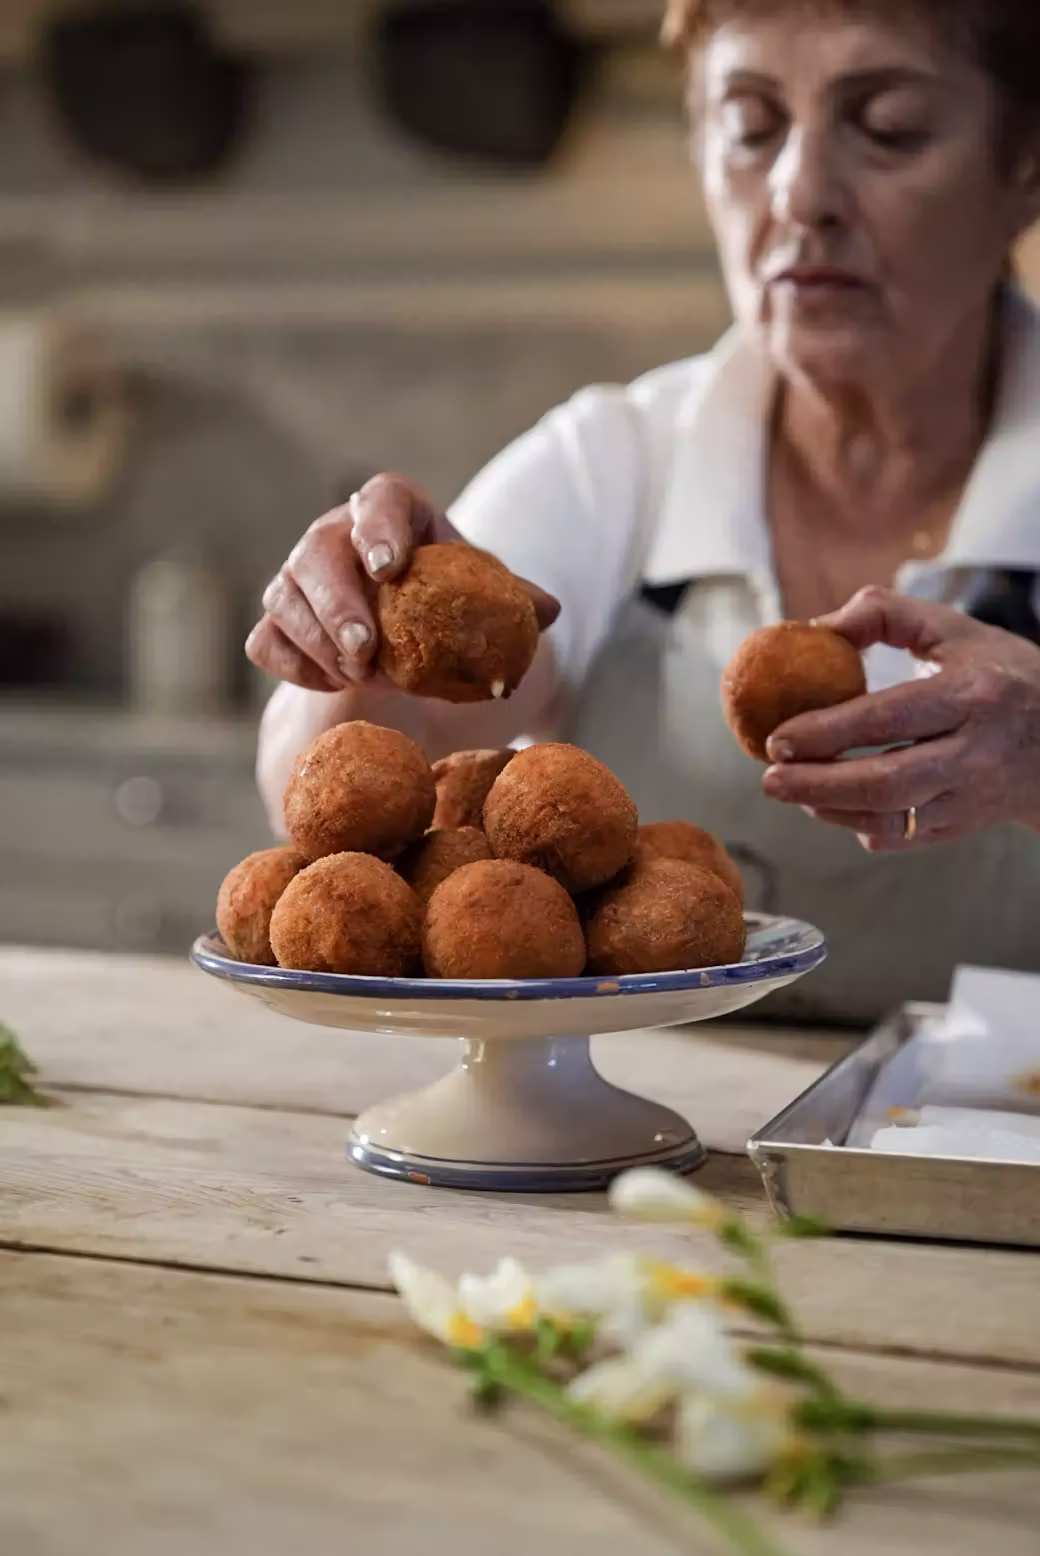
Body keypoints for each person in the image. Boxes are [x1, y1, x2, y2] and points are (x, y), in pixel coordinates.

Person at [246, 0, 1040, 1027]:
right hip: (617, 1148)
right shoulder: (614, 462)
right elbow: (373, 765)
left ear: (1021, 165)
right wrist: (358, 634)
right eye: (749, 128)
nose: (799, 193)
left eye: (885, 127)